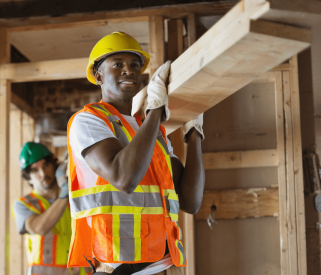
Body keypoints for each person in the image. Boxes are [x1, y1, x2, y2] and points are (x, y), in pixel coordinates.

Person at [66, 32, 205, 275]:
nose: (128, 70)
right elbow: (124, 179)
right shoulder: (88, 121)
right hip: (118, 268)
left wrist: (194, 135)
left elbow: (190, 202)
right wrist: (154, 112)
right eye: (117, 64)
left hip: (163, 264)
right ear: (98, 75)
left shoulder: (152, 130)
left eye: (135, 65)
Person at [12, 142, 90, 275]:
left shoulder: (75, 197)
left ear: (55, 167)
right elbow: (39, 228)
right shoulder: (23, 204)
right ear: (28, 178)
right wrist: (64, 194)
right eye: (35, 170)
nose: (42, 173)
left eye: (46, 165)